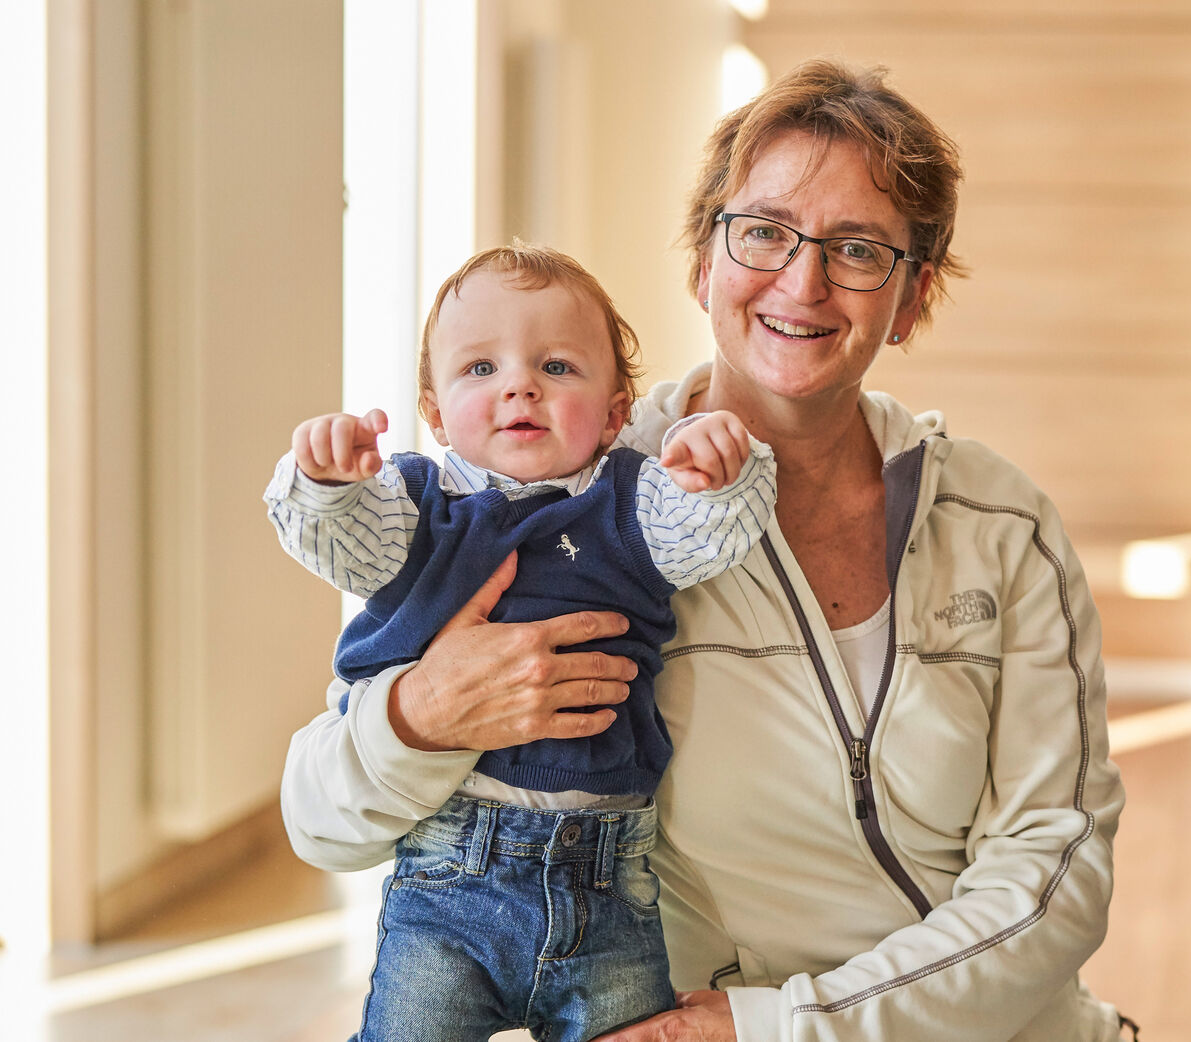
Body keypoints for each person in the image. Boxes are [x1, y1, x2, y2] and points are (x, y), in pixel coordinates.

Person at [280, 58, 1130, 1041]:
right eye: (763, 231)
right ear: (702, 264)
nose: (802, 281)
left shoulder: (1001, 524)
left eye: (858, 249)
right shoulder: (576, 508)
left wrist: (780, 1026)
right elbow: (319, 820)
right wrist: (419, 715)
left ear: (912, 298)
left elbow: (1055, 877)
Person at [265, 243, 776, 1042]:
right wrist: (327, 485)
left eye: (558, 367)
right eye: (478, 369)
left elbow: (706, 536)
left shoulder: (630, 499)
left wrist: (722, 474)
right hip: (447, 877)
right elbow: (345, 547)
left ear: (614, 413)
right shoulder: (415, 502)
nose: (519, 385)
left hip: (608, 880)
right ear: (433, 412)